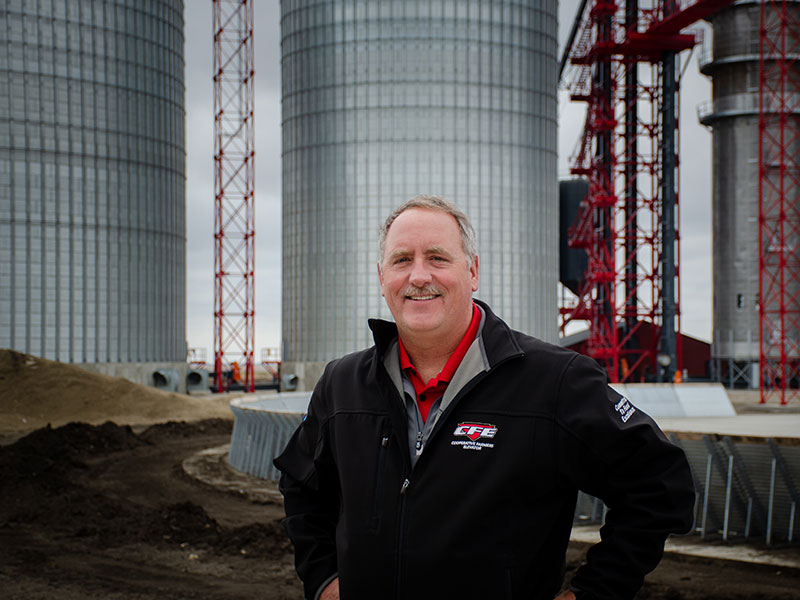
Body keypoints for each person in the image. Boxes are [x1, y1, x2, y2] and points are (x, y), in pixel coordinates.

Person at [274, 195, 696, 600]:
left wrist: (592, 593)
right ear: (382, 276)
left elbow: (659, 484)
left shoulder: (554, 381)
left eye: (437, 257)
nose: (419, 276)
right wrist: (324, 579)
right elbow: (301, 485)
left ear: (472, 271)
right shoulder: (342, 383)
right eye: (402, 260)